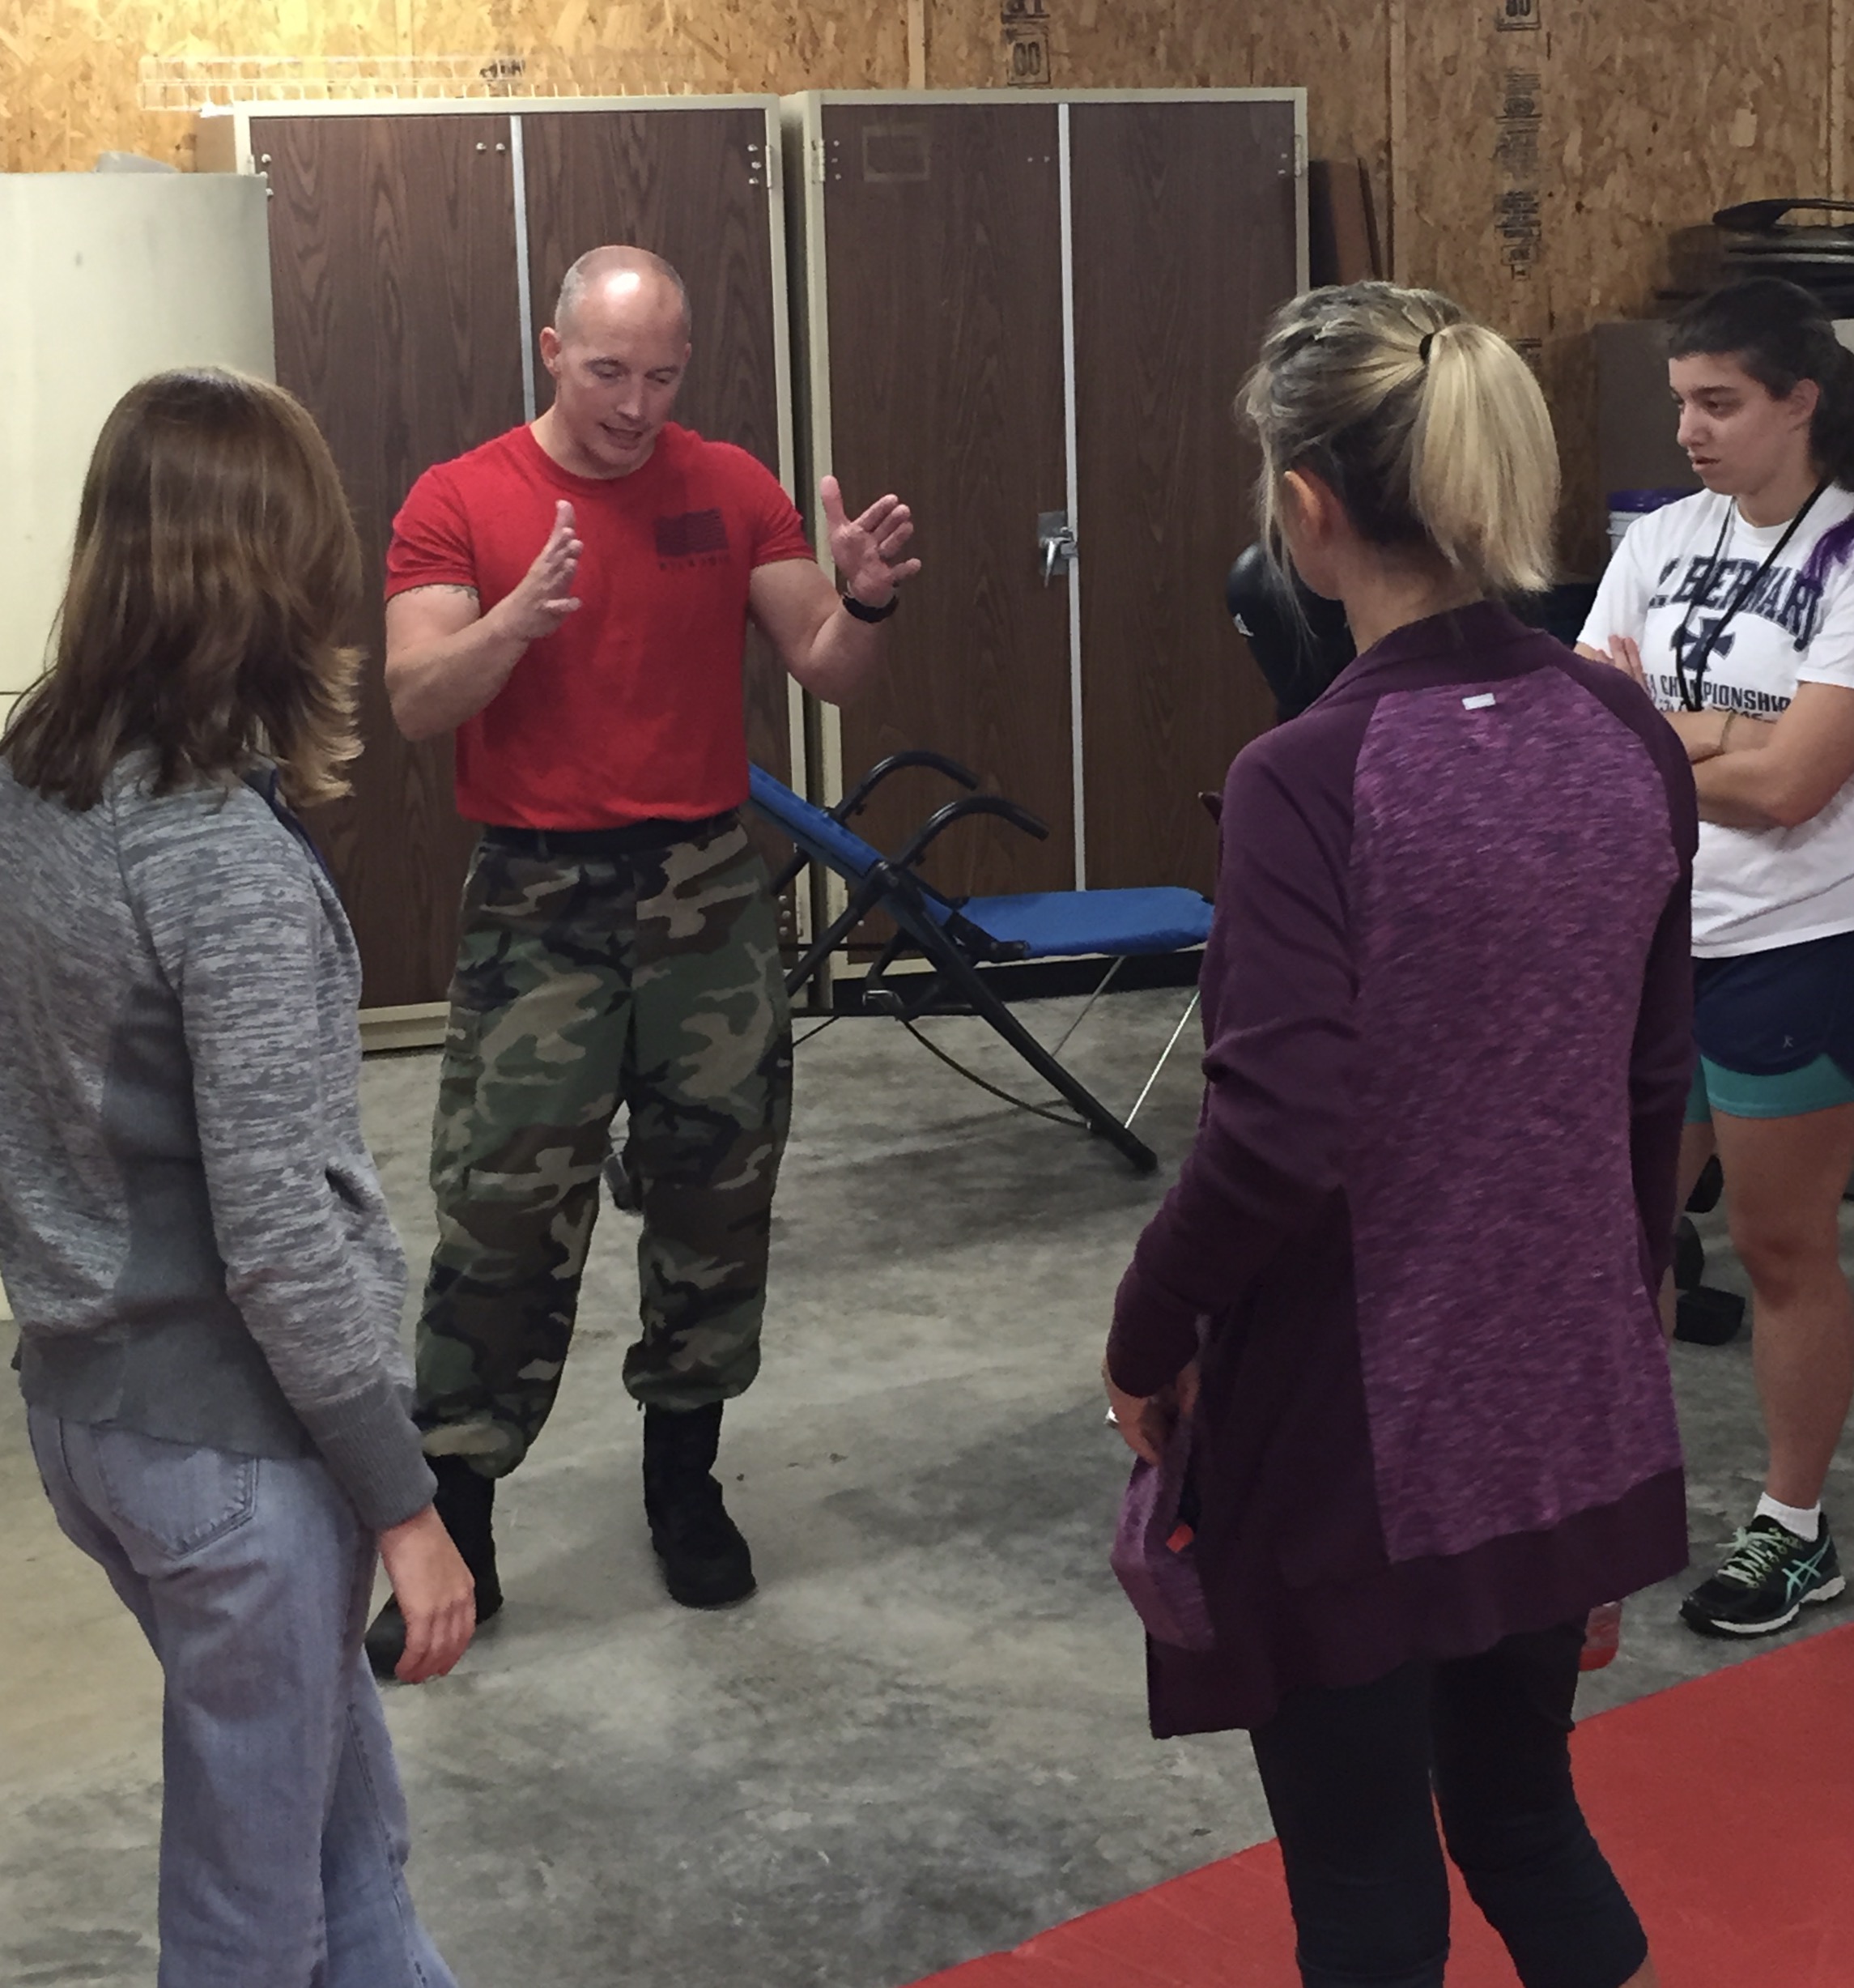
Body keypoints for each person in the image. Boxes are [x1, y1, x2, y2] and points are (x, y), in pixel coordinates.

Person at [1104, 283, 1688, 1988]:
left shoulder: (1308, 773)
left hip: (1363, 1417)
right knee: (1516, 1816)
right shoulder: (1621, 733)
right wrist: (1616, 1316)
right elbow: (1651, 1094)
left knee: (1364, 1884)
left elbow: (1280, 1129)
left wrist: (1148, 1325)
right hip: (1557, 1391)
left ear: (1304, 508)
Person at [364, 245, 918, 1668]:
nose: (633, 403)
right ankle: (462, 1513)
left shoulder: (728, 486)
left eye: (661, 374)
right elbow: (419, 699)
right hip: (537, 903)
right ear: (551, 347)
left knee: (717, 1188)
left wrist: (857, 600)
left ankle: (685, 1482)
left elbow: (827, 668)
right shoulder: (458, 499)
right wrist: (512, 622)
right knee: (502, 1211)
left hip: (705, 893)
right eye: (608, 371)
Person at [0, 369, 471, 1987]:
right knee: (247, 1914)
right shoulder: (225, 866)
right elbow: (277, 1236)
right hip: (231, 1459)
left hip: (91, 1418)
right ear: (283, 574)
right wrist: (403, 1505)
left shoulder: (26, 788)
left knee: (350, 1846)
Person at [1580, 278, 1854, 1637]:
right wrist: (1720, 741)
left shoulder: (1851, 555)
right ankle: (1596, 1493)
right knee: (1619, 1232)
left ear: (1799, 400)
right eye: (1678, 401)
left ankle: (1794, 1526)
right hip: (1654, 939)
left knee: (1775, 1242)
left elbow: (1799, 785)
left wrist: (1669, 728)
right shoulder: (1659, 537)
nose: (1687, 430)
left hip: (1795, 947)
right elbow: (1589, 739)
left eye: (1718, 403)